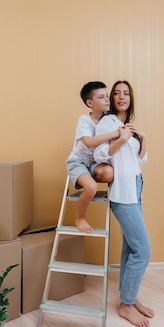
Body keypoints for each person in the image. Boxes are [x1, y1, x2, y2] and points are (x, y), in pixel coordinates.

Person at [94, 80, 153, 327]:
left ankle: (129, 297)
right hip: (122, 194)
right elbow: (100, 155)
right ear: (111, 99)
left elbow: (139, 160)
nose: (121, 96)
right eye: (116, 93)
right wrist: (122, 137)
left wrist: (142, 138)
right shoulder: (108, 123)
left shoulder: (127, 125)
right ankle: (126, 305)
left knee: (130, 248)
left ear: (131, 98)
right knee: (143, 250)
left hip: (136, 188)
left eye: (126, 93)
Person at [65, 81, 119, 233]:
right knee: (92, 188)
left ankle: (88, 180)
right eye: (102, 97)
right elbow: (88, 142)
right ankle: (79, 217)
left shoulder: (109, 119)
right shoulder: (85, 120)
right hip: (78, 162)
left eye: (107, 96)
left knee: (110, 173)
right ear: (90, 103)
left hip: (95, 163)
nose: (107, 100)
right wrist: (116, 133)